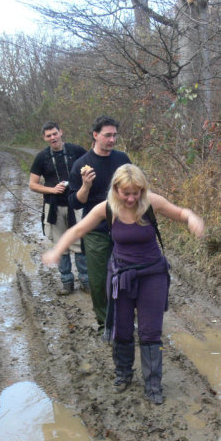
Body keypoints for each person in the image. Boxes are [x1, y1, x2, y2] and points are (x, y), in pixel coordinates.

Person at [44, 164, 205, 404]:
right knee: (122, 329)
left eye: (136, 193)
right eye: (126, 193)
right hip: (121, 275)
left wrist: (193, 219)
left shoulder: (152, 202)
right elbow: (77, 230)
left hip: (153, 274)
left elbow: (182, 213)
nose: (131, 198)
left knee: (150, 331)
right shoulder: (106, 208)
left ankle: (153, 385)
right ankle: (123, 374)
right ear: (116, 189)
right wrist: (57, 250)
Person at [68, 116, 131, 331]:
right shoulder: (81, 164)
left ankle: (125, 319)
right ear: (95, 135)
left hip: (124, 227)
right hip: (96, 231)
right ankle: (106, 323)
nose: (112, 139)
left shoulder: (123, 159)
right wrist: (85, 185)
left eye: (115, 135)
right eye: (107, 135)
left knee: (127, 275)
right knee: (98, 280)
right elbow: (76, 203)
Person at [29, 121, 88, 295]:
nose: (53, 138)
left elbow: (91, 166)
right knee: (60, 247)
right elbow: (32, 184)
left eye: (55, 133)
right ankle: (67, 283)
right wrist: (52, 190)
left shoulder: (76, 151)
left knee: (80, 245)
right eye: (49, 136)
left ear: (61, 132)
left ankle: (86, 281)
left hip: (76, 205)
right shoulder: (41, 157)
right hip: (54, 206)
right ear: (45, 138)